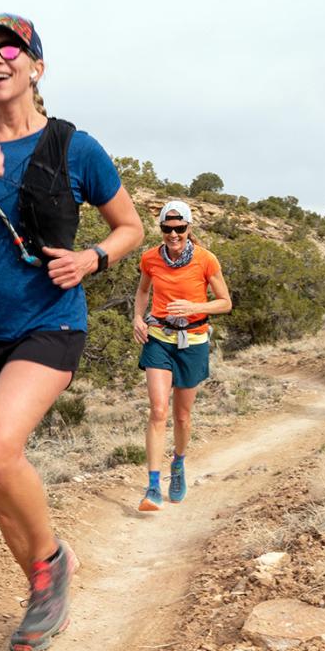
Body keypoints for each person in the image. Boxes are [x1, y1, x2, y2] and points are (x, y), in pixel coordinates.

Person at [0, 13, 143, 651]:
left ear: (35, 67)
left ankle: (52, 563)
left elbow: (130, 227)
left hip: (51, 321)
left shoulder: (77, 147)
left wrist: (93, 258)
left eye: (8, 48)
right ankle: (43, 588)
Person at [130, 200, 232, 511]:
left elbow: (225, 302)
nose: (173, 234)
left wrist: (195, 307)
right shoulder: (150, 258)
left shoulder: (205, 259)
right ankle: (152, 487)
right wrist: (137, 317)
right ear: (160, 228)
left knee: (182, 416)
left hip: (194, 341)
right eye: (167, 228)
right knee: (158, 411)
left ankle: (178, 465)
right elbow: (143, 291)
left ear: (188, 228)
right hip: (159, 338)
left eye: (179, 228)